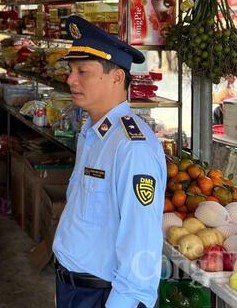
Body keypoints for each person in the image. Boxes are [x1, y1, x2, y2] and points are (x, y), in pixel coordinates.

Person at [52, 16, 165, 308]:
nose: (71, 80)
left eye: (83, 72)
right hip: (74, 287)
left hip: (101, 295)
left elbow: (141, 243)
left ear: (117, 77)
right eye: (70, 70)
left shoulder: (132, 147)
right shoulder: (93, 133)